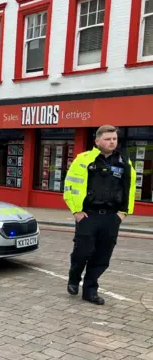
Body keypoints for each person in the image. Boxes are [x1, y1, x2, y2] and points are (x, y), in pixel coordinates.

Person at [63, 125, 136, 305]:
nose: (112, 142)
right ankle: (74, 277)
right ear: (97, 141)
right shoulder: (84, 159)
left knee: (103, 256)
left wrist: (123, 213)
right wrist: (76, 211)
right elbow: (69, 186)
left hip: (111, 217)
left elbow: (130, 188)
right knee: (83, 251)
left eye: (114, 139)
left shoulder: (123, 161)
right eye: (108, 139)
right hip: (88, 215)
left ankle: (90, 291)